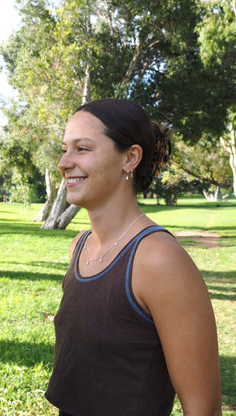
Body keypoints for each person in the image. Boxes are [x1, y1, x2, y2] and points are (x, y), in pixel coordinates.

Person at [45, 99, 222, 416]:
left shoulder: (160, 260)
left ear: (130, 157)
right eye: (64, 149)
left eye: (82, 149)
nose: (64, 162)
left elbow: (203, 408)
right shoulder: (79, 248)